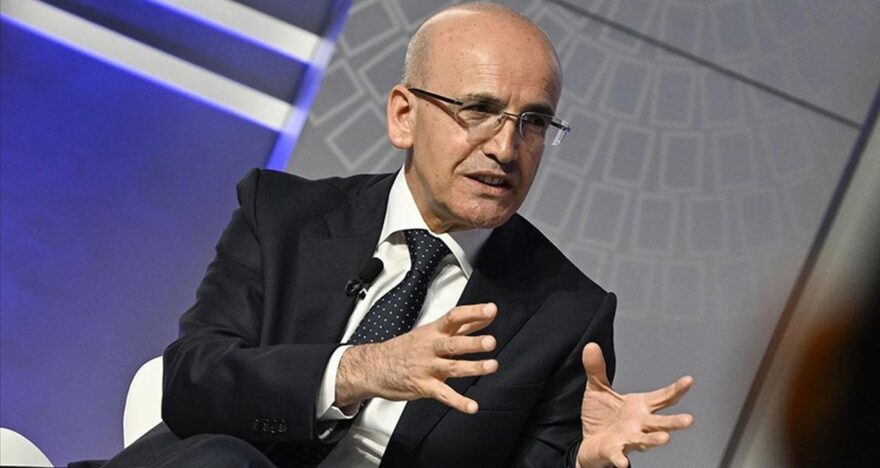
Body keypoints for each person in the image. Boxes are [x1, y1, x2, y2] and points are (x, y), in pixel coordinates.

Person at [103, 3, 693, 467]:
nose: (505, 147)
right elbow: (192, 382)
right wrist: (359, 370)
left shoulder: (567, 314)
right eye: (478, 110)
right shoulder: (283, 215)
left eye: (533, 122)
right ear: (404, 116)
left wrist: (579, 463)